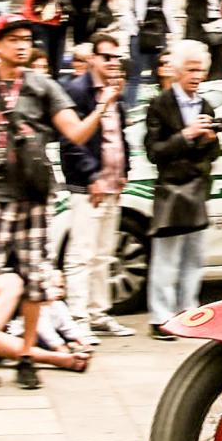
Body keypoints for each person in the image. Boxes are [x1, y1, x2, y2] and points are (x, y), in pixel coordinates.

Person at [0, 14, 113, 389]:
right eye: (13, 40)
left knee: (36, 280)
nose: (22, 45)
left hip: (35, 195)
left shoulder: (42, 86)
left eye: (26, 39)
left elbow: (74, 132)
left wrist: (103, 108)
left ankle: (26, 357)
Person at [145, 40, 220, 338]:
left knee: (194, 257)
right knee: (167, 257)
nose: (196, 75)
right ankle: (161, 317)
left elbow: (211, 155)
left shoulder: (206, 105)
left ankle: (189, 313)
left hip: (198, 189)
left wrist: (209, 140)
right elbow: (155, 151)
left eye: (200, 70)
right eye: (190, 69)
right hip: (172, 190)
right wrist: (187, 135)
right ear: (177, 71)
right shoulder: (160, 104)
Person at [61, 31, 133, 339]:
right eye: (106, 57)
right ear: (92, 58)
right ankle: (78, 317)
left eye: (116, 57)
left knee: (104, 253)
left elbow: (118, 134)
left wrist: (124, 169)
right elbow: (72, 140)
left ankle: (98, 312)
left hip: (112, 184)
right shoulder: (78, 91)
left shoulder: (113, 91)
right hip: (88, 187)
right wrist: (90, 177)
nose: (113, 62)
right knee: (82, 254)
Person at [127, 0, 176, 108]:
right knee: (135, 74)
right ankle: (130, 109)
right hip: (140, 30)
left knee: (161, 73)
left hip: (159, 30)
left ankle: (161, 108)